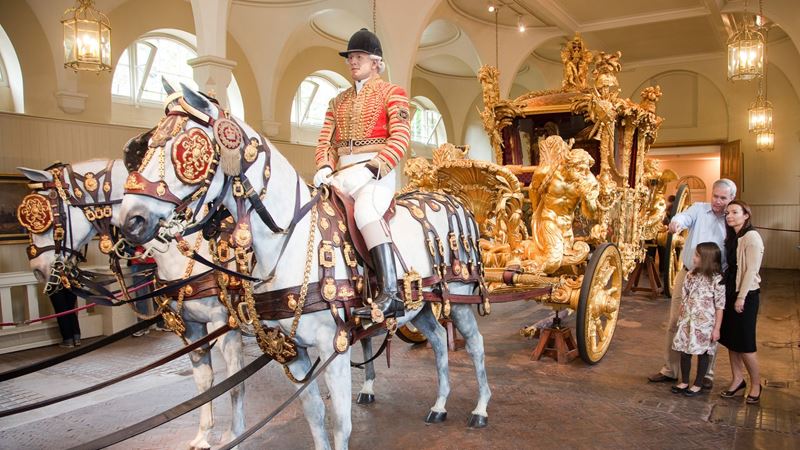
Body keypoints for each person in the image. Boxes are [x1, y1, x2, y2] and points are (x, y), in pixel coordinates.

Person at [313, 28, 411, 321]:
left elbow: (401, 137)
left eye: (359, 56)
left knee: (367, 212)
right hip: (341, 172)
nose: (353, 62)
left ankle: (391, 292)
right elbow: (325, 141)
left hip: (375, 172)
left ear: (376, 62)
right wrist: (324, 166)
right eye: (350, 57)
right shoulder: (337, 101)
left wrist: (373, 168)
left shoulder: (393, 93)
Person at [648, 179, 737, 388]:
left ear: (731, 198)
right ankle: (670, 369)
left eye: (723, 198)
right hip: (688, 275)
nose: (717, 201)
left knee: (710, 328)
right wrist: (677, 222)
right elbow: (684, 216)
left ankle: (707, 374)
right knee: (674, 323)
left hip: (715, 279)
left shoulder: (732, 218)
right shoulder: (699, 209)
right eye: (715, 196)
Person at [718, 200, 764, 404]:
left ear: (746, 215)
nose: (729, 216)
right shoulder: (734, 236)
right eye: (728, 212)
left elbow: (751, 270)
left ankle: (756, 383)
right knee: (732, 341)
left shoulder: (751, 236)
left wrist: (741, 297)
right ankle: (737, 379)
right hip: (730, 292)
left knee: (745, 344)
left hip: (746, 294)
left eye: (735, 212)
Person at [670, 242, 725, 397]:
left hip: (705, 324)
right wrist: (681, 317)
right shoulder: (691, 275)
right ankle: (684, 381)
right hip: (688, 321)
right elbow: (685, 296)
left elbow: (720, 306)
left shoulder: (717, 280)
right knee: (684, 351)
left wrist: (717, 328)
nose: (693, 258)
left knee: (703, 353)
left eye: (697, 256)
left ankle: (698, 383)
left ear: (706, 259)